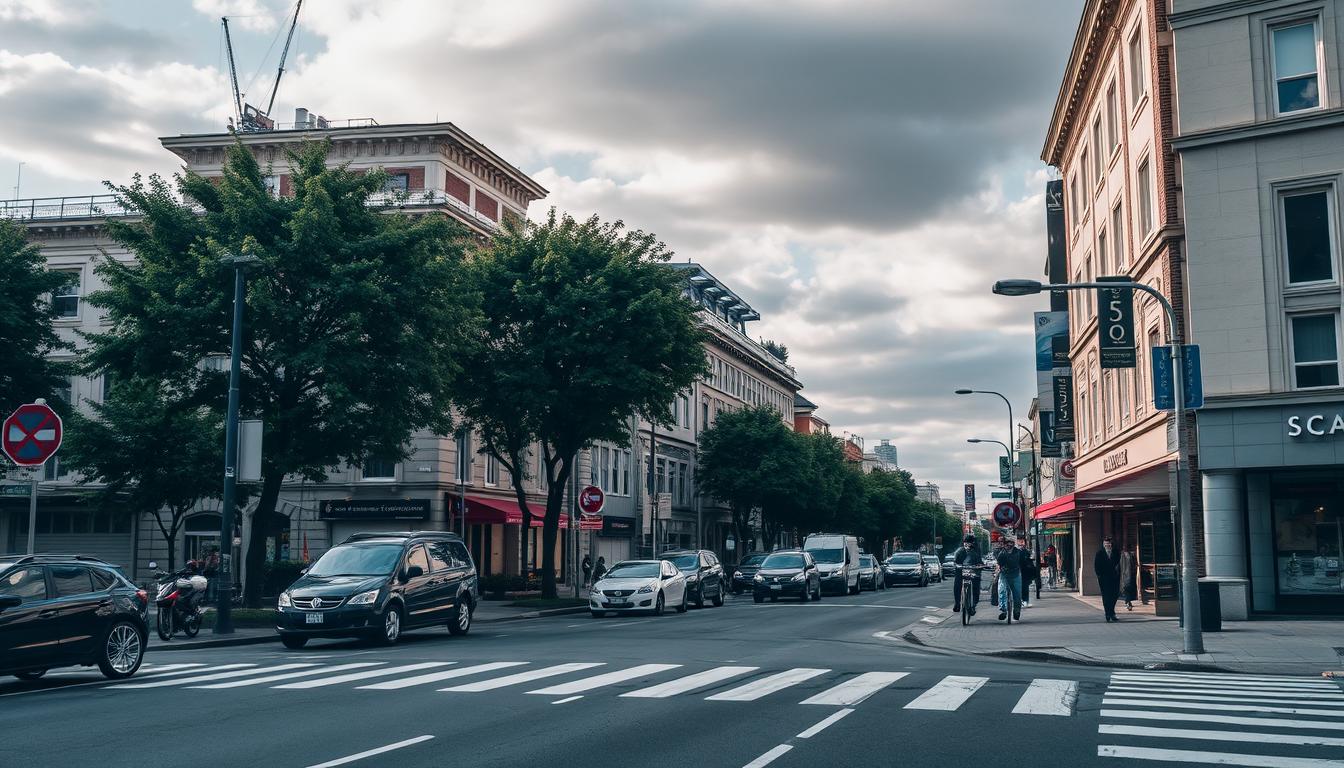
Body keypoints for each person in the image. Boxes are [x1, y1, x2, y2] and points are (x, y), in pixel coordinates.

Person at [951, 534, 984, 614]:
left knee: (976, 586)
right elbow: (955, 561)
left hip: (973, 572)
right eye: (965, 542)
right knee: (957, 584)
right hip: (961, 571)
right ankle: (957, 603)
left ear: (973, 543)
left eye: (969, 542)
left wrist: (980, 566)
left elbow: (980, 561)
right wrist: (956, 565)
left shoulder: (976, 551)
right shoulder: (959, 551)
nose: (966, 544)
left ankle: (973, 605)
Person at [994, 537, 1023, 621]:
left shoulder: (1018, 552)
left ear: (1013, 544)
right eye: (1007, 543)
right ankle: (1003, 611)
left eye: (1010, 543)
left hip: (1015, 574)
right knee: (1002, 590)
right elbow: (999, 564)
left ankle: (1016, 611)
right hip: (1004, 574)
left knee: (1017, 594)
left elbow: (1023, 562)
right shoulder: (1001, 552)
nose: (1008, 545)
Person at [1094, 536, 1121, 622]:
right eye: (1106, 544)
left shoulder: (1116, 552)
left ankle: (1112, 612)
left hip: (1114, 578)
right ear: (1103, 544)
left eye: (1109, 544)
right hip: (1104, 578)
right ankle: (1108, 614)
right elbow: (1096, 566)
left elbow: (1118, 564)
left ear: (1111, 544)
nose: (1107, 545)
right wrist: (1099, 576)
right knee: (1106, 596)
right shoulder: (1099, 553)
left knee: (1114, 595)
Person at [1018, 537, 1040, 606]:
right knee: (1023, 587)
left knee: (1023, 587)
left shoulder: (1024, 552)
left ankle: (1024, 601)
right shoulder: (1021, 552)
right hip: (1022, 572)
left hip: (1024, 572)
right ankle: (1024, 601)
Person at [1119, 545, 1137, 611]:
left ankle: (1128, 602)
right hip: (1125, 575)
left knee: (1127, 589)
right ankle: (1128, 602)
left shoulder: (1131, 555)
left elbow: (1134, 565)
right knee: (1126, 589)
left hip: (1128, 575)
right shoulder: (1122, 555)